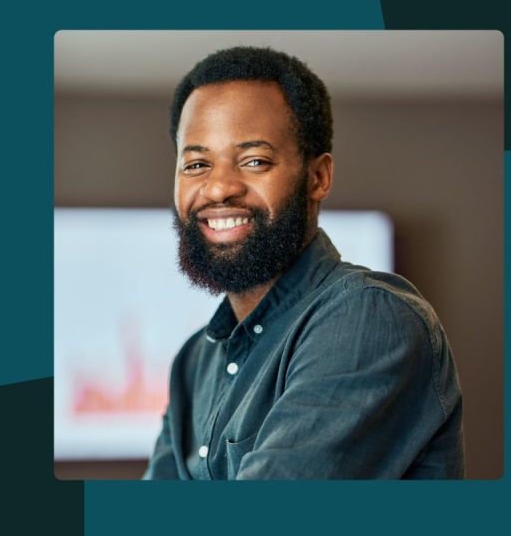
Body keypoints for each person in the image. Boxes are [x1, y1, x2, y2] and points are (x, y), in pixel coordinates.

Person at [144, 46, 464, 479]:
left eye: (254, 160)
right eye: (197, 164)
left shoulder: (368, 318)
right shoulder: (194, 361)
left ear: (318, 177)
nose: (218, 188)